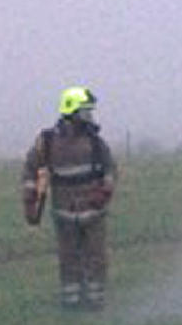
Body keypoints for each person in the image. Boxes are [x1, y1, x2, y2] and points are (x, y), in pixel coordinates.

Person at [21, 85, 117, 310]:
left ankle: (95, 300)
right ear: (71, 111)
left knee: (96, 258)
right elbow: (30, 170)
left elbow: (110, 169)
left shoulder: (95, 142)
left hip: (94, 213)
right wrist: (30, 199)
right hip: (63, 214)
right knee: (68, 259)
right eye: (85, 111)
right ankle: (71, 301)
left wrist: (105, 191)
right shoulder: (47, 142)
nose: (89, 116)